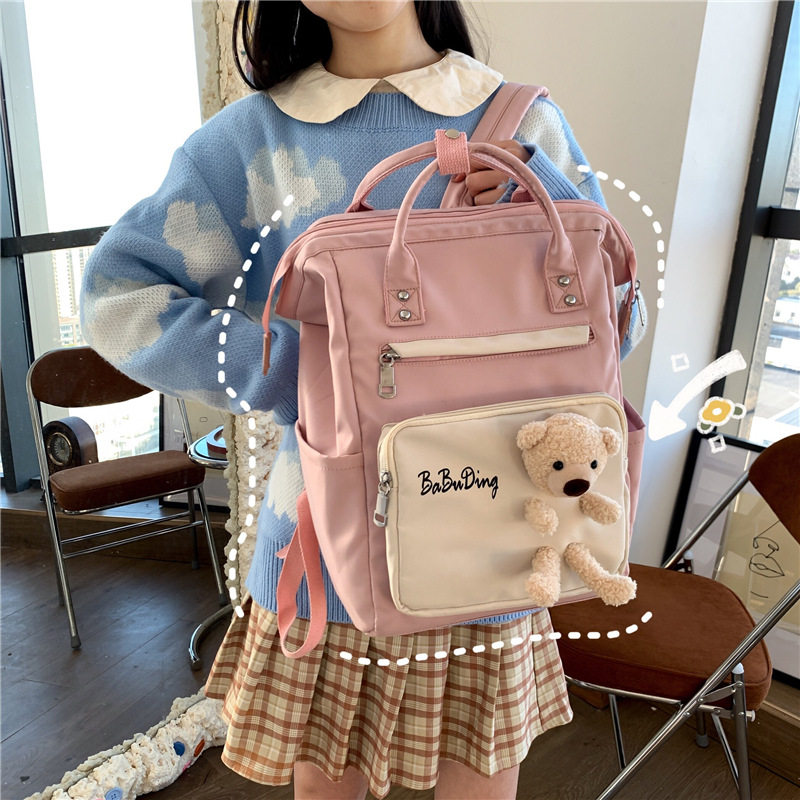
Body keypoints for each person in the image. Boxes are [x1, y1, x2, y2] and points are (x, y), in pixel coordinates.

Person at [80, 2, 644, 797]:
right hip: (327, 553)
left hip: (495, 542)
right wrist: (298, 374)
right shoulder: (252, 141)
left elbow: (618, 327)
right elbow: (118, 299)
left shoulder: (521, 120)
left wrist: (541, 196)